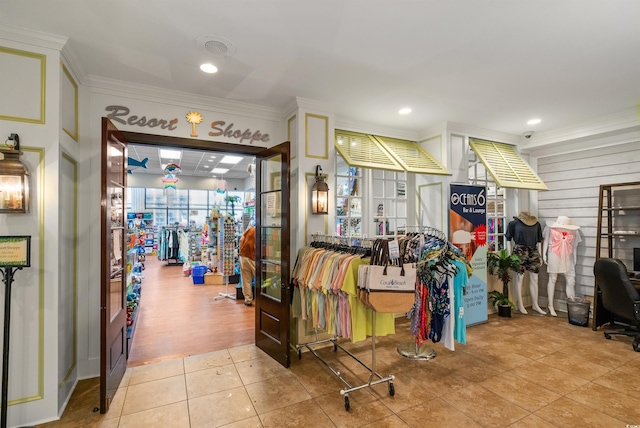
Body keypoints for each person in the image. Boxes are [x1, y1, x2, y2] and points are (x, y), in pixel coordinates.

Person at [505, 211, 546, 315]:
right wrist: (509, 255)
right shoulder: (513, 224)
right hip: (519, 250)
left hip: (534, 250)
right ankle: (520, 304)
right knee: (519, 278)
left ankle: (535, 304)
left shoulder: (536, 224)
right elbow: (508, 239)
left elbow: (538, 241)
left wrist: (540, 255)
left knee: (535, 278)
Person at [542, 216, 581, 316]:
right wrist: (544, 254)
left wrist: (575, 258)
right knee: (552, 279)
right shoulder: (550, 228)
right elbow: (546, 241)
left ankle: (572, 305)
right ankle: (550, 305)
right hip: (554, 254)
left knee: (571, 280)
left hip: (568, 256)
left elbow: (574, 246)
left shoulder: (574, 231)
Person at [239, 225, 256, 306]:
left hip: (243, 257)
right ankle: (263, 300)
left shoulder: (249, 230)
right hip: (253, 258)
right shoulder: (258, 232)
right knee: (260, 279)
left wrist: (241, 252)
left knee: (246, 280)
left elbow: (241, 240)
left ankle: (248, 300)